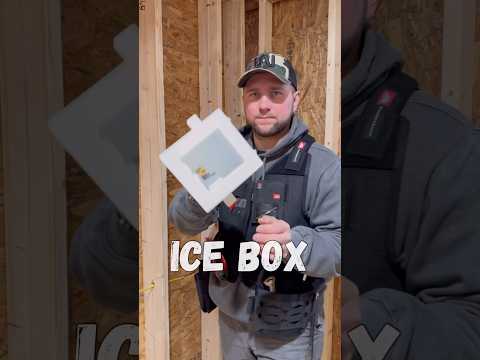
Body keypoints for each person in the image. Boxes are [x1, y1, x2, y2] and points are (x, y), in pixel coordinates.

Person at [168, 52, 341, 359]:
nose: (264, 104)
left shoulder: (323, 166)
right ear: (245, 100)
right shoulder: (221, 152)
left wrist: (294, 243)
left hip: (290, 330)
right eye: (254, 94)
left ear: (295, 99)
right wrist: (199, 194)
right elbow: (183, 221)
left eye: (276, 94)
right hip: (231, 321)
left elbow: (339, 249)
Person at [341, 0, 480, 359]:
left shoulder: (440, 145)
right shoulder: (223, 128)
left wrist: (366, 334)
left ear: (371, 5)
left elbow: (470, 329)